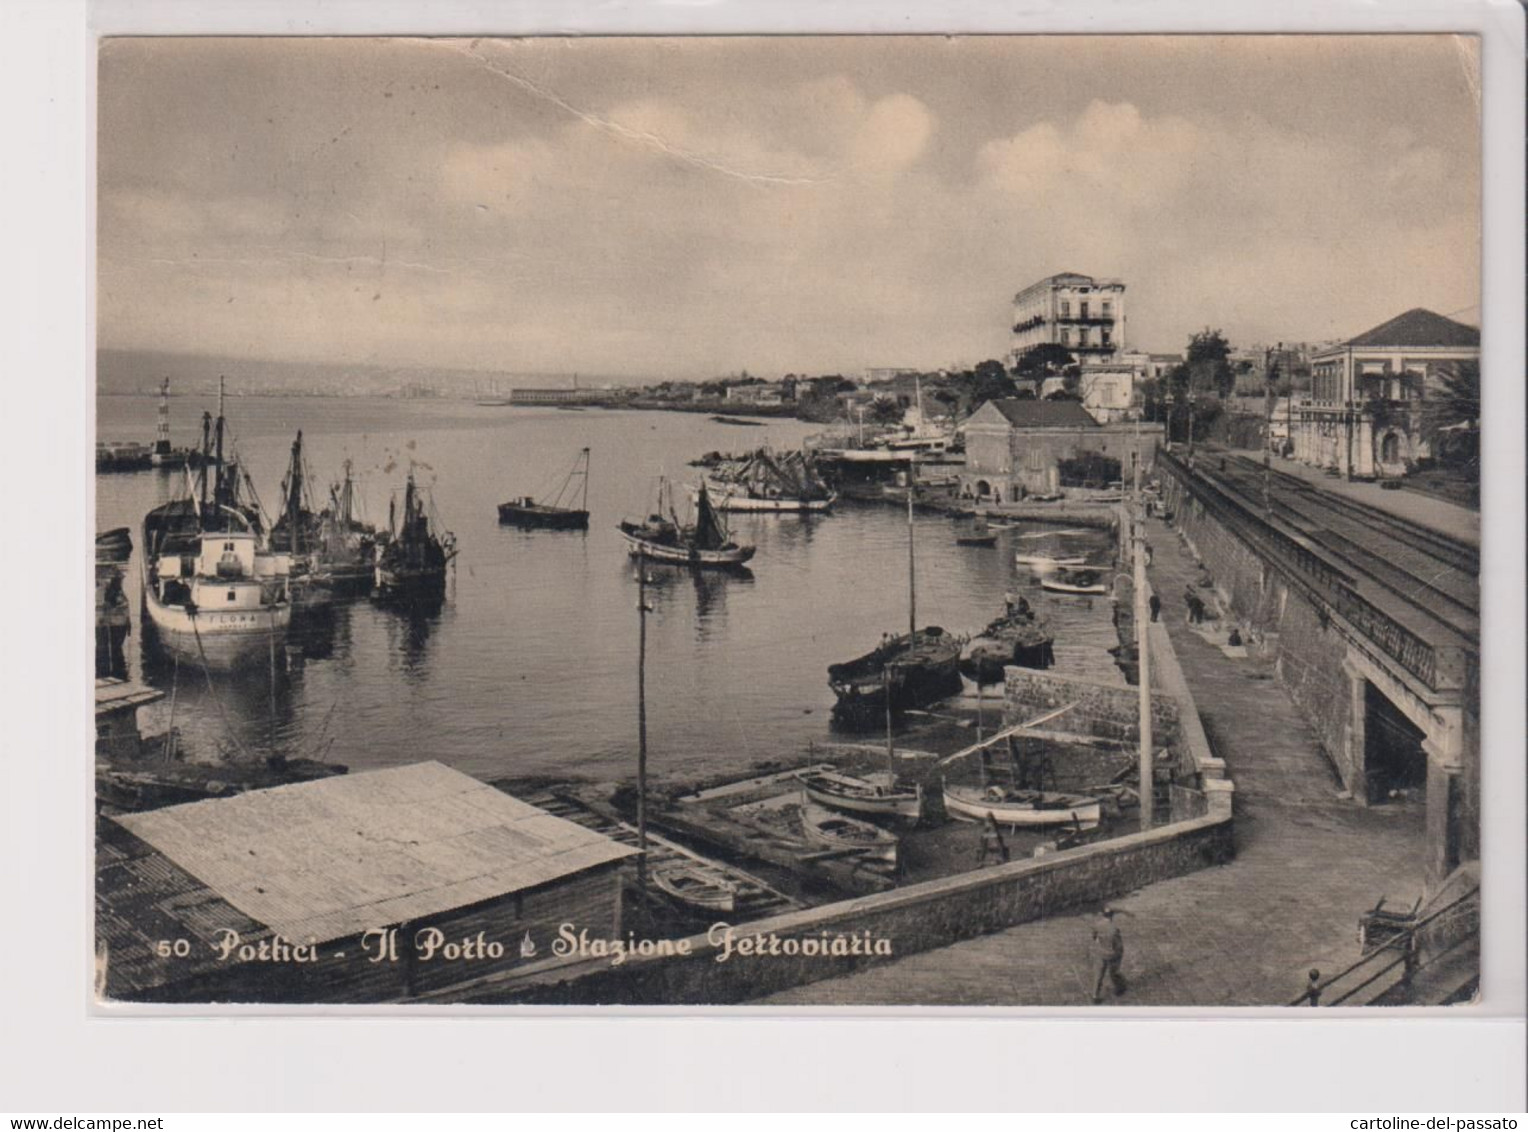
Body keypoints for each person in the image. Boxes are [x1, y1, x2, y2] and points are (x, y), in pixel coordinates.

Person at [1091, 906, 1128, 1003]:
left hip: (1100, 952)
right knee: (1114, 972)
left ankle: (1095, 995)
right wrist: (1120, 953)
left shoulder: (1097, 925)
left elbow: (1094, 936)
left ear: (1103, 915)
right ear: (1112, 916)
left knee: (1099, 974)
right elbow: (1118, 945)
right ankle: (1119, 988)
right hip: (1112, 955)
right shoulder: (1114, 929)